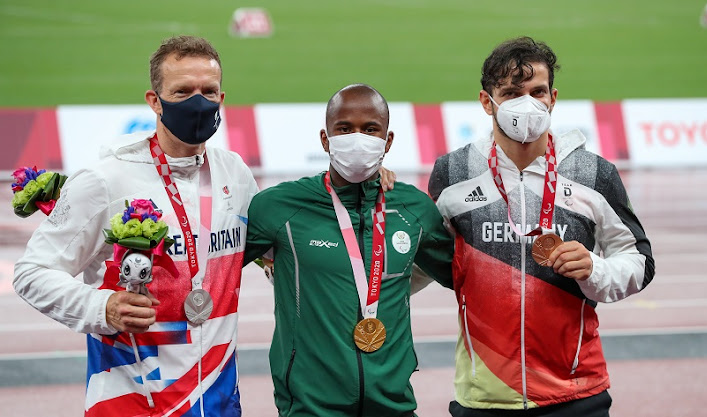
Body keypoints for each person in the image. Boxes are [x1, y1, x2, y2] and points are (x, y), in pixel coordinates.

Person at [14, 35, 258, 416]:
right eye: (182, 91)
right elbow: (32, 272)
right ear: (154, 101)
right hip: (131, 402)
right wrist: (102, 306)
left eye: (208, 91)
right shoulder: (104, 180)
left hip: (218, 399)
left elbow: (277, 249)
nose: (198, 102)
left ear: (222, 100)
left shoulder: (236, 175)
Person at [428, 37, 655, 416]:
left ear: (553, 98)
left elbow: (639, 263)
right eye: (512, 93)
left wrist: (595, 269)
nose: (527, 104)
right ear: (488, 102)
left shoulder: (593, 174)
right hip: (484, 396)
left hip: (576, 393)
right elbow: (424, 258)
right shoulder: (452, 173)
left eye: (537, 92)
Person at [243, 84, 454, 417]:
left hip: (394, 407)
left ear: (388, 140)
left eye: (370, 129)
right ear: (325, 139)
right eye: (344, 129)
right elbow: (217, 265)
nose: (358, 138)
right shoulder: (280, 206)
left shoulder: (413, 208)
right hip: (309, 409)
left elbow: (467, 277)